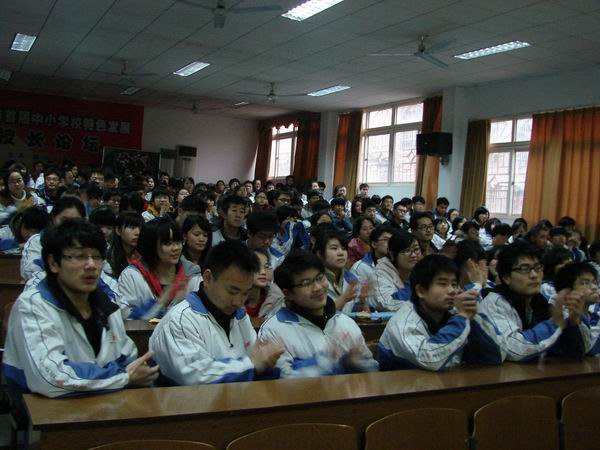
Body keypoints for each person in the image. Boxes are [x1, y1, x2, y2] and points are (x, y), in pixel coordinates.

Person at [3, 219, 157, 398]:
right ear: (53, 263)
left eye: (97, 257)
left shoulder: (107, 307)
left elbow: (129, 360)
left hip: (107, 403)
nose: (91, 265)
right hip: (45, 410)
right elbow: (51, 378)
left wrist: (126, 375)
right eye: (79, 256)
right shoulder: (32, 306)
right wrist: (122, 377)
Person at [150, 240, 284, 385]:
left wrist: (267, 363)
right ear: (208, 278)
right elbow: (196, 376)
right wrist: (252, 365)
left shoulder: (239, 316)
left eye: (245, 293)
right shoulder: (180, 321)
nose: (238, 302)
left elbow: (255, 358)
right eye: (232, 291)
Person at [258, 250, 378, 378]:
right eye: (306, 283)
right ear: (288, 293)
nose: (318, 288)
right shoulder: (273, 330)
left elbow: (374, 368)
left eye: (320, 278)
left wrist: (357, 363)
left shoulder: (345, 322)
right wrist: (324, 362)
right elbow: (283, 379)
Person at [377, 255, 504, 371]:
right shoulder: (403, 323)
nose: (452, 290)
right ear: (421, 291)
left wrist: (472, 317)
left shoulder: (454, 312)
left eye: (454, 284)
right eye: (443, 284)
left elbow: (493, 357)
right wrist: (462, 317)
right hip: (403, 386)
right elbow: (431, 359)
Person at [478, 242, 592, 361]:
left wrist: (573, 322)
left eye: (538, 268)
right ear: (506, 278)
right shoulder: (495, 303)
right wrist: (555, 322)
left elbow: (575, 352)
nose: (534, 275)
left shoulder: (539, 301)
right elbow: (514, 349)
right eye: (524, 269)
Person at [118, 217, 201, 320]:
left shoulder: (192, 276)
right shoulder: (132, 276)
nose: (176, 248)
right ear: (151, 245)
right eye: (168, 243)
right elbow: (126, 318)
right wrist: (160, 303)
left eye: (178, 242)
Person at [21, 195, 86, 280]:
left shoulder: (89, 242)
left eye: (75, 221)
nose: (70, 225)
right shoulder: (38, 240)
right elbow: (30, 272)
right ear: (53, 218)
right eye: (64, 220)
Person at [313, 229, 367, 313]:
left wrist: (362, 301)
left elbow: (362, 314)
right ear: (319, 253)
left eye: (344, 248)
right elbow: (319, 315)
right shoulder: (312, 281)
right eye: (334, 248)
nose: (341, 253)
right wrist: (344, 298)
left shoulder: (351, 278)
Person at [370, 230, 421, 311]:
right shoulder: (380, 274)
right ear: (392, 254)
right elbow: (387, 303)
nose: (414, 255)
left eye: (416, 249)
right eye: (407, 251)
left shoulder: (422, 269)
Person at [244, 248, 284, 318]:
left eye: (266, 267)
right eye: (257, 267)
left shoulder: (277, 299)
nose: (263, 272)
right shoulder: (233, 301)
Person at [106, 212, 143, 279]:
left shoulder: (142, 256)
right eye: (132, 227)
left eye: (141, 228)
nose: (138, 233)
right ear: (118, 230)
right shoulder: (108, 259)